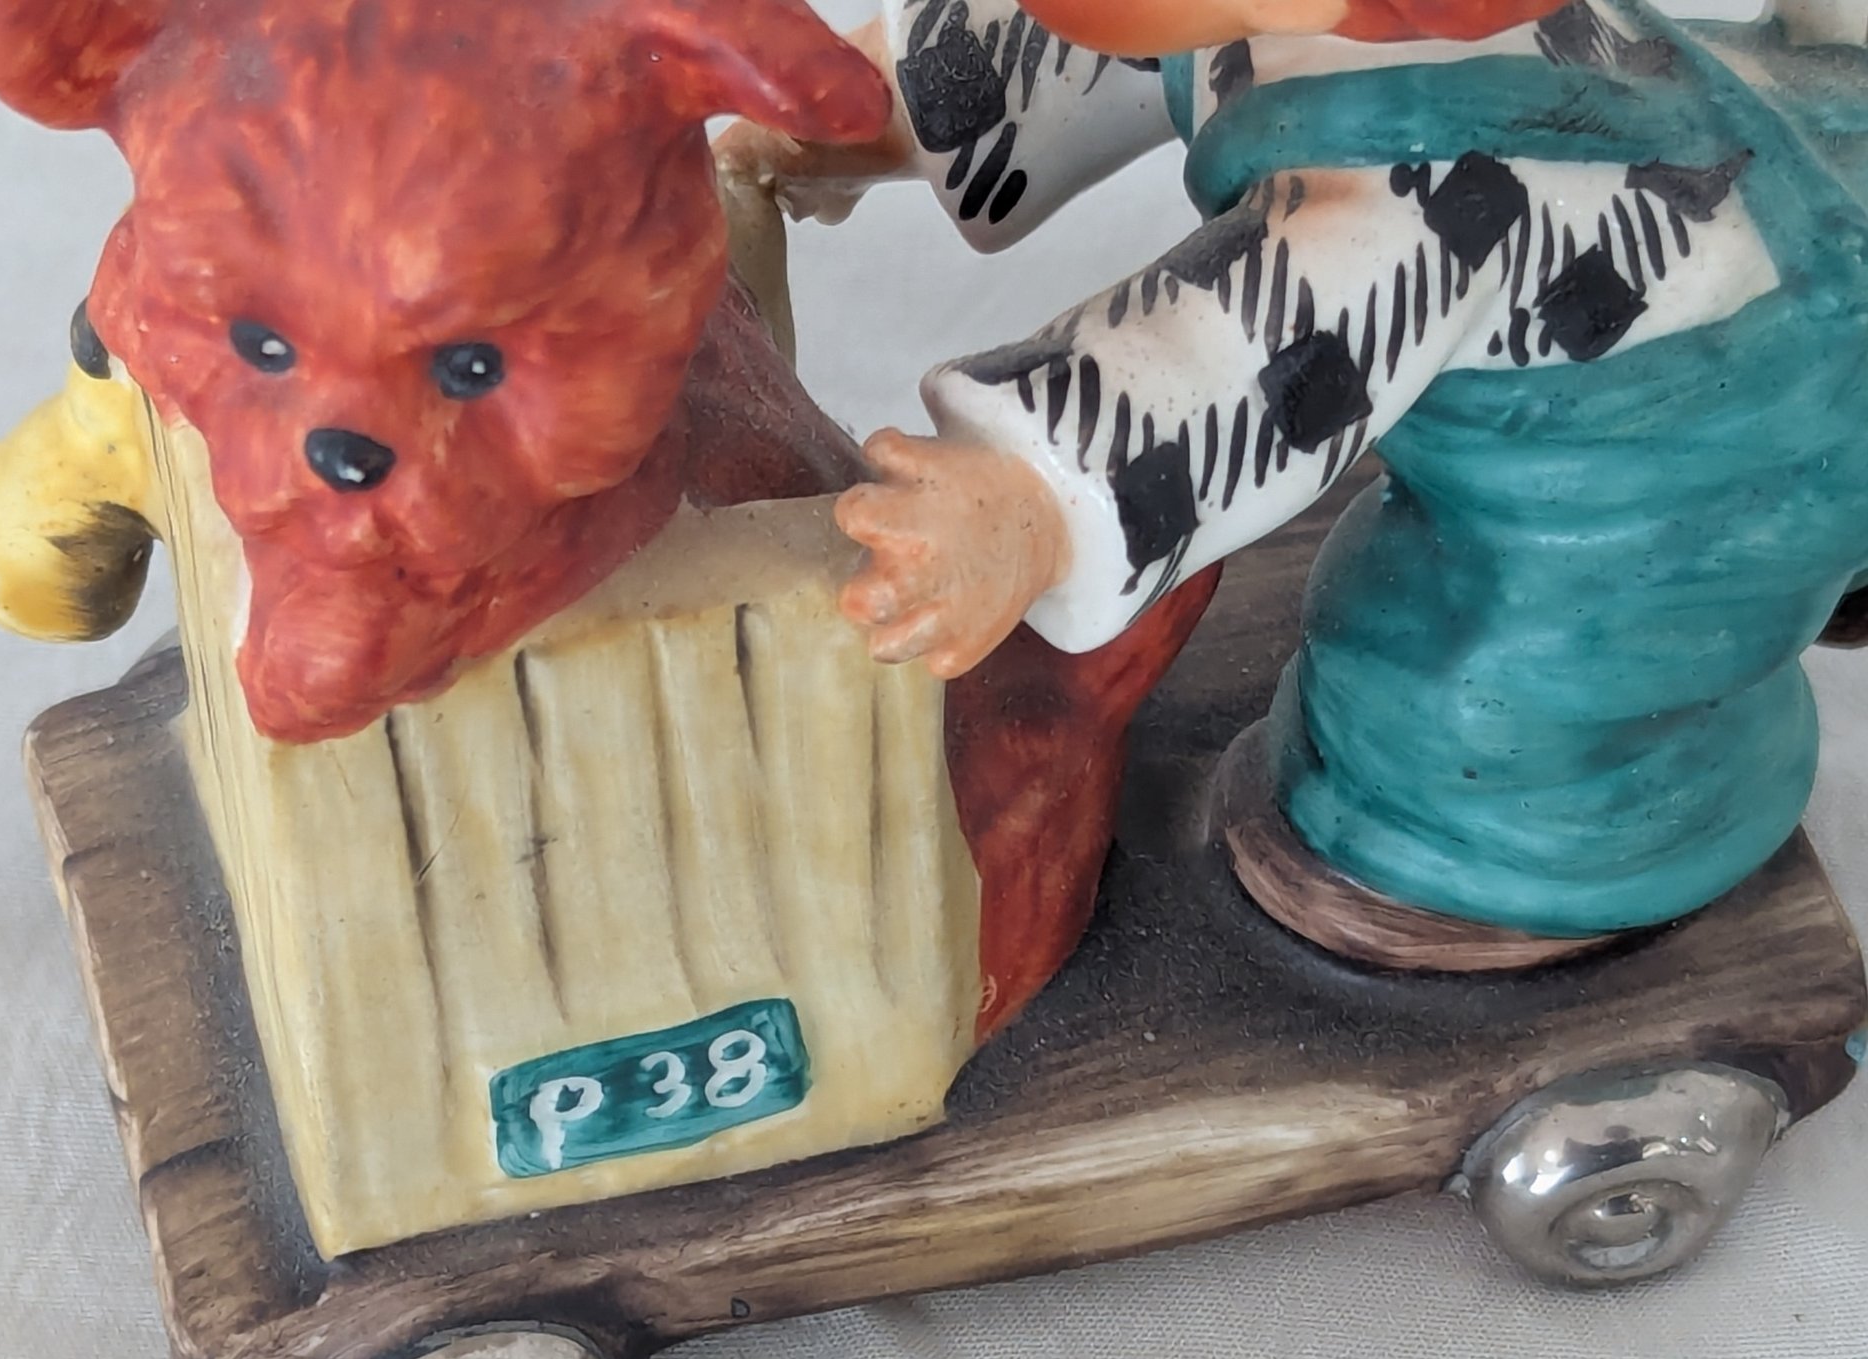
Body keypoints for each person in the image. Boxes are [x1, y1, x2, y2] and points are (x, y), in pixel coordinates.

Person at [722, 0, 1868, 953]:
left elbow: (1245, 356)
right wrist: (865, 110)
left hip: (1714, 446)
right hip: (1757, 212)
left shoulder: (1424, 175)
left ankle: (1555, 843)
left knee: (1477, 705)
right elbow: (1089, 43)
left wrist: (1028, 497)